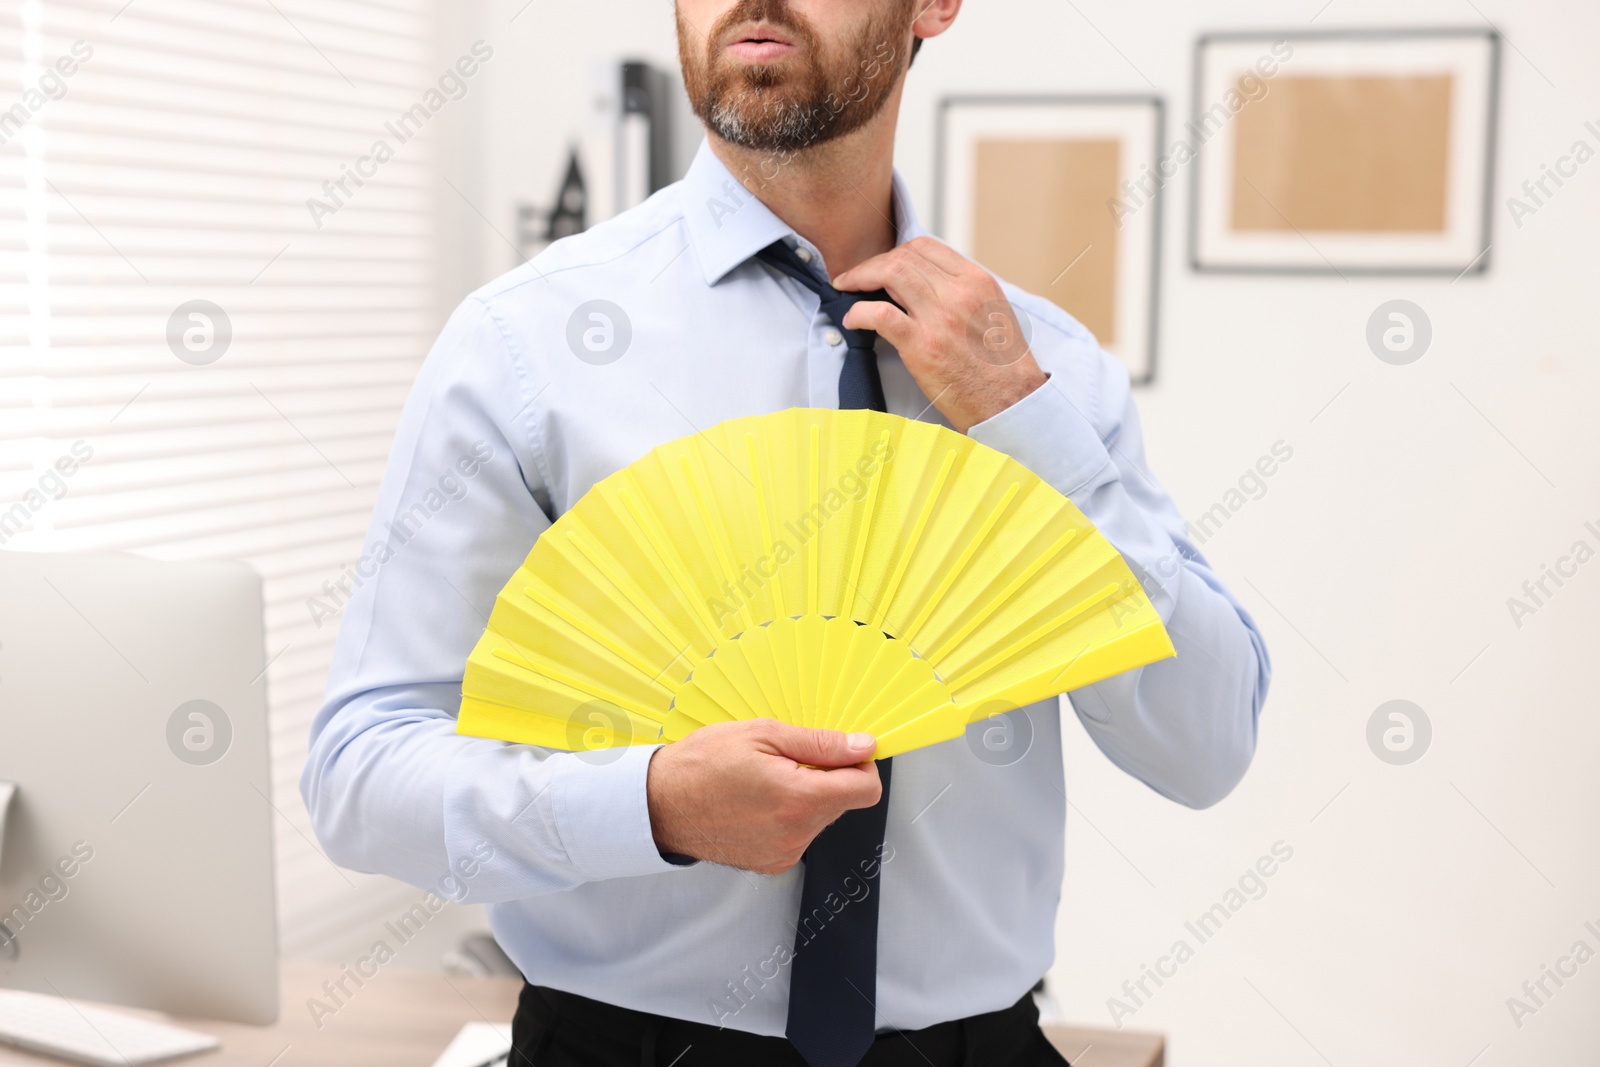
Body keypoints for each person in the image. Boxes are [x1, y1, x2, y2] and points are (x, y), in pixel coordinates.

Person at [301, 1, 1270, 1064]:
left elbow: (1203, 743)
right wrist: (651, 803)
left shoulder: (1043, 366)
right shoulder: (524, 345)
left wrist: (1024, 418)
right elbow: (362, 774)